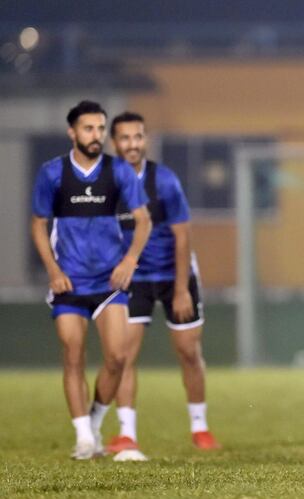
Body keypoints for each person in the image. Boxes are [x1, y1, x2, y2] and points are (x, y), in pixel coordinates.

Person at [30, 100, 152, 460]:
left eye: (100, 129)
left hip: (108, 281)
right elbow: (38, 226)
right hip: (69, 282)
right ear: (72, 133)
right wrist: (53, 271)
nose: (96, 135)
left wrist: (130, 259)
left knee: (116, 358)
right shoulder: (53, 174)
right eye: (88, 129)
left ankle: (96, 423)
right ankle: (83, 437)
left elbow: (143, 220)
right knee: (73, 354)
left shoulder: (118, 172)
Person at [107, 112, 220, 456]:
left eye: (138, 137)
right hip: (133, 279)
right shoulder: (106, 186)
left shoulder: (164, 180)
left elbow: (183, 236)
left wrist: (183, 288)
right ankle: (126, 434)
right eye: (125, 138)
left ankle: (200, 428)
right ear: (115, 143)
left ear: (146, 140)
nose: (132, 144)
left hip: (174, 275)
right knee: (124, 355)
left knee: (188, 352)